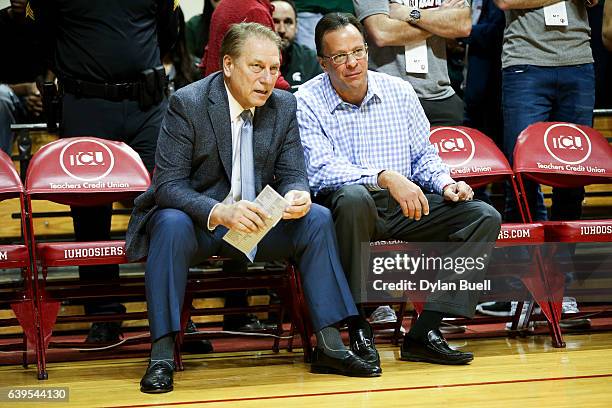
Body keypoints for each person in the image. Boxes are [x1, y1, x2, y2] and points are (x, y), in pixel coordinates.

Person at [125, 22, 381, 394]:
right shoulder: (189, 103)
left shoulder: (283, 104)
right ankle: (162, 354)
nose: (267, 79)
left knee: (317, 218)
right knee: (168, 222)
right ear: (228, 65)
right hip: (202, 222)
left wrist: (298, 195)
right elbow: (168, 186)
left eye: (274, 69)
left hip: (256, 221)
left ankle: (329, 344)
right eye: (256, 67)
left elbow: (294, 173)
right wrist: (219, 211)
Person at [295, 13, 501, 365]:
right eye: (339, 57)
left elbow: (423, 155)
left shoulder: (399, 91)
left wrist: (446, 184)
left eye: (357, 51)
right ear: (323, 62)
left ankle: (426, 331)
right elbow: (320, 170)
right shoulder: (307, 100)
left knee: (483, 216)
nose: (351, 63)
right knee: (354, 197)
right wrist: (385, 176)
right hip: (348, 211)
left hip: (407, 206)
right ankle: (358, 324)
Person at [28, 0, 178, 343]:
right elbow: (41, 37)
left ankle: (174, 313)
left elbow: (167, 32)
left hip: (148, 104)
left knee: (168, 200)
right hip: (87, 102)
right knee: (90, 213)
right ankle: (104, 315)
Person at [353, 0, 471, 126]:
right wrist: (440, 19)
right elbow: (382, 33)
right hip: (388, 96)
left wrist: (410, 13)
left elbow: (463, 25)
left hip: (439, 93)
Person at [200, 0, 290, 90]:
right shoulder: (255, 10)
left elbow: (205, 63)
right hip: (239, 97)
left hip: (214, 93)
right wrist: (290, 96)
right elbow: (269, 73)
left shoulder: (223, 4)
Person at [0, 0, 43, 155]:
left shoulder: (47, 22)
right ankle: (2, 171)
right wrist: (26, 89)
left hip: (44, 97)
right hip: (9, 99)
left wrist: (44, 92)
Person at [272, 0, 323, 91]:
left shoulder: (310, 61)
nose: (282, 30)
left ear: (296, 26)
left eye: (288, 22)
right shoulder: (256, 62)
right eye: (275, 22)